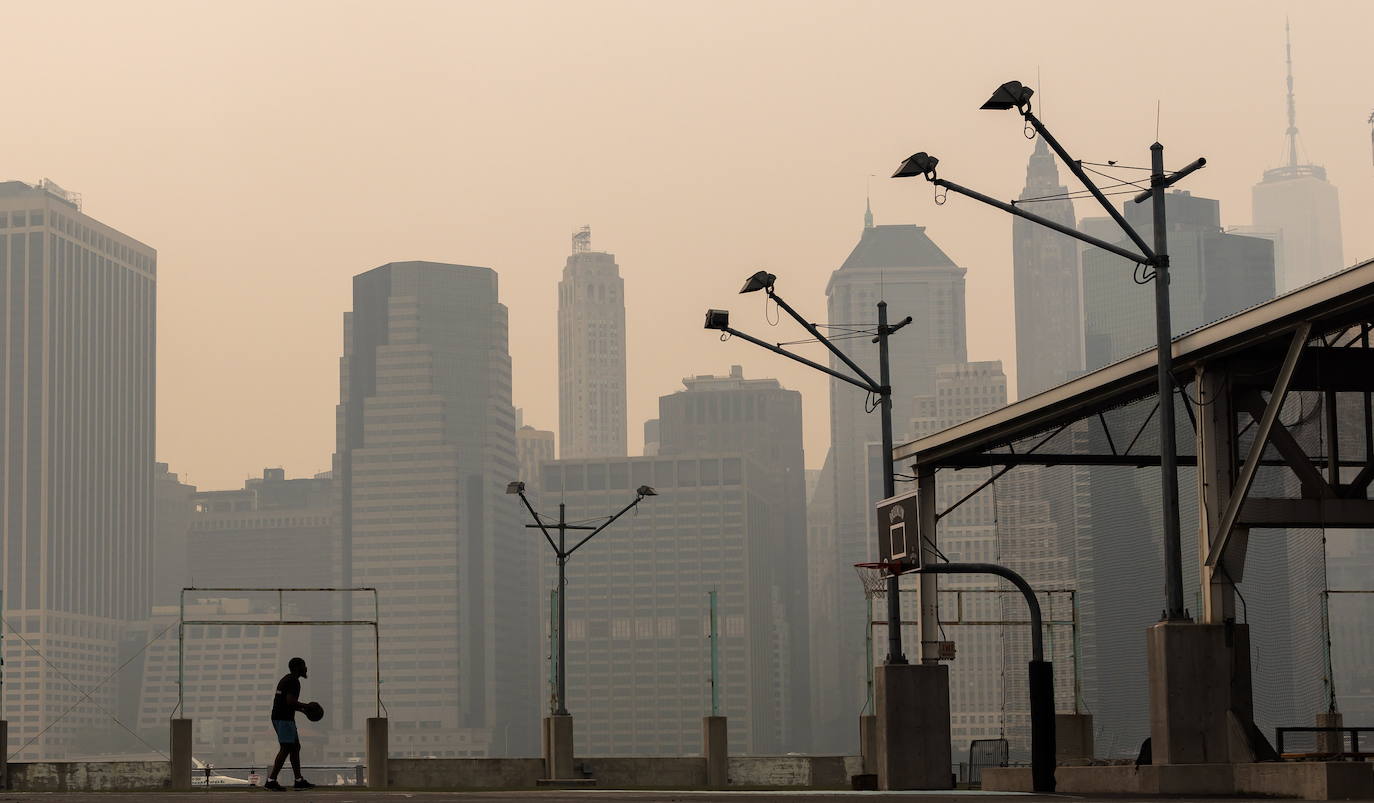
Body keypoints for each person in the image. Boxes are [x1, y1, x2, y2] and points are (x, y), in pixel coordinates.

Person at [265, 657, 315, 791]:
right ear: (298, 668)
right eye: (304, 666)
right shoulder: (293, 681)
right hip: (283, 718)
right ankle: (271, 780)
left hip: (282, 717)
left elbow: (287, 702)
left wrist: (303, 710)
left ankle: (299, 780)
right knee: (286, 748)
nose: (306, 668)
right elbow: (290, 702)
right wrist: (307, 706)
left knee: (295, 747)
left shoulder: (287, 679)